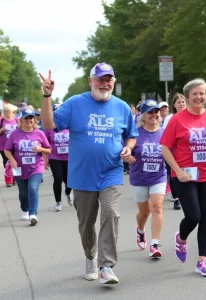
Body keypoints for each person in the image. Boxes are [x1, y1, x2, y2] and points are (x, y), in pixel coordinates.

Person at [39, 63, 138, 285]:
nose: (105, 83)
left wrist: (128, 147)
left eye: (108, 79)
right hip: (82, 175)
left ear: (113, 81)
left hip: (111, 171)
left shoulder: (121, 107)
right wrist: (47, 95)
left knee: (111, 214)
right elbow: (48, 124)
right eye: (100, 79)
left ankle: (106, 266)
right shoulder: (75, 103)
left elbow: (131, 135)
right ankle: (90, 256)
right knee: (86, 223)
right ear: (90, 81)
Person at [160, 78, 206, 277]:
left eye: (202, 93)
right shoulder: (177, 119)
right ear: (188, 97)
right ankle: (181, 238)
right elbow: (165, 147)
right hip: (184, 175)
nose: (199, 97)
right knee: (194, 216)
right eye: (195, 94)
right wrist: (178, 171)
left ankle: (202, 260)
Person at [124, 100, 166, 258]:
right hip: (139, 177)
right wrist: (126, 156)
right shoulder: (135, 133)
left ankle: (155, 244)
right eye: (150, 112)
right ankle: (140, 230)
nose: (154, 115)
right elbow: (125, 150)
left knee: (157, 207)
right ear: (143, 115)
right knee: (144, 212)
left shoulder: (164, 132)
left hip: (158, 176)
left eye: (156, 111)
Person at [4, 108, 51, 225]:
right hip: (19, 168)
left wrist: (40, 149)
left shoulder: (39, 133)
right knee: (23, 192)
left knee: (33, 188)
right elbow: (7, 150)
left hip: (36, 167)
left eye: (31, 117)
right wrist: (12, 160)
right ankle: (25, 209)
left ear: (34, 119)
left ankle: (33, 213)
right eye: (26, 118)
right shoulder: (15, 134)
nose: (29, 120)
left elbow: (49, 150)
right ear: (21, 120)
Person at [44, 104, 73, 212]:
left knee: (69, 180)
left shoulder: (70, 125)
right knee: (58, 178)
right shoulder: (48, 128)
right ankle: (58, 202)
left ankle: (68, 192)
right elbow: (45, 144)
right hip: (54, 156)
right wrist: (45, 158)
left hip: (69, 157)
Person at [163, 93, 187, 210]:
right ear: (174, 105)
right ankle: (176, 198)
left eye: (183, 102)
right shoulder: (170, 118)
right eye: (179, 102)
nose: (181, 104)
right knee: (173, 174)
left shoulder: (190, 116)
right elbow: (166, 137)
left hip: (186, 152)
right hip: (172, 151)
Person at [0, 105, 18, 187]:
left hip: (15, 145)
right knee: (7, 163)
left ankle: (15, 179)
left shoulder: (16, 120)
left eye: (9, 110)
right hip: (3, 145)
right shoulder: (1, 120)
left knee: (15, 161)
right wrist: (3, 129)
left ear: (12, 111)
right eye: (6, 110)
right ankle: (8, 181)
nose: (7, 112)